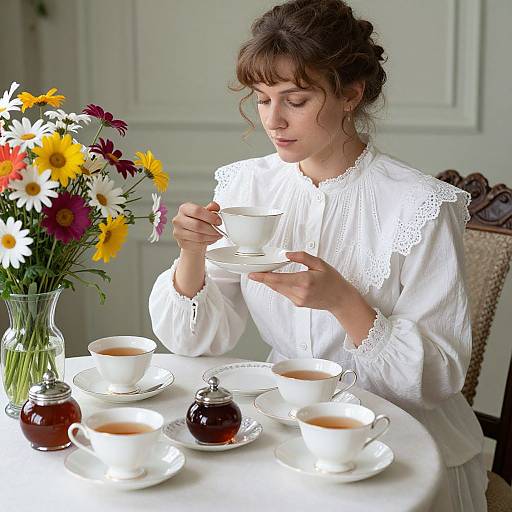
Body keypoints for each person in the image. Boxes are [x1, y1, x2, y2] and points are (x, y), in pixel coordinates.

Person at [149, 1, 487, 509]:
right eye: (262, 99)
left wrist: (345, 303)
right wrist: (192, 254)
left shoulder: (419, 206)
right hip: (281, 430)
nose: (273, 120)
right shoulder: (247, 184)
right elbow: (192, 342)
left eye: (296, 99)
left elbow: (439, 377)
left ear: (351, 94)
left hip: (404, 445)